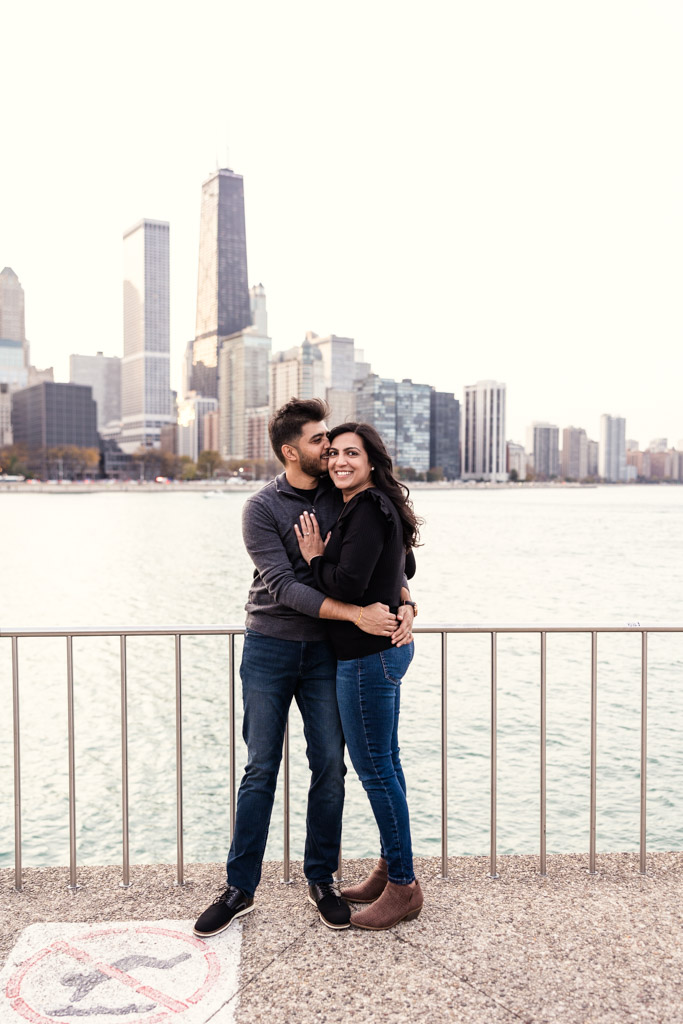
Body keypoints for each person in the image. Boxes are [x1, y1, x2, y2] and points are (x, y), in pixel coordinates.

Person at [194, 399, 414, 937]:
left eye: (335, 443)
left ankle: (322, 879)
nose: (330, 449)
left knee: (330, 770)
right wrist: (358, 614)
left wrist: (405, 602)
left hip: (327, 654)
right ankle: (239, 888)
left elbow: (387, 558)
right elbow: (285, 587)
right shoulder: (261, 508)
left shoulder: (342, 496)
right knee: (260, 768)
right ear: (292, 451)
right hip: (269, 646)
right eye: (320, 441)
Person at [295, 421, 422, 930]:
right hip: (376, 654)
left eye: (352, 453)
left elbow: (347, 582)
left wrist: (314, 558)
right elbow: (403, 566)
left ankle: (404, 886)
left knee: (376, 773)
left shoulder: (367, 507)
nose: (340, 460)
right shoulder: (370, 506)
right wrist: (406, 600)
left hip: (368, 657)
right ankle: (393, 868)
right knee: (386, 766)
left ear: (372, 462)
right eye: (333, 454)